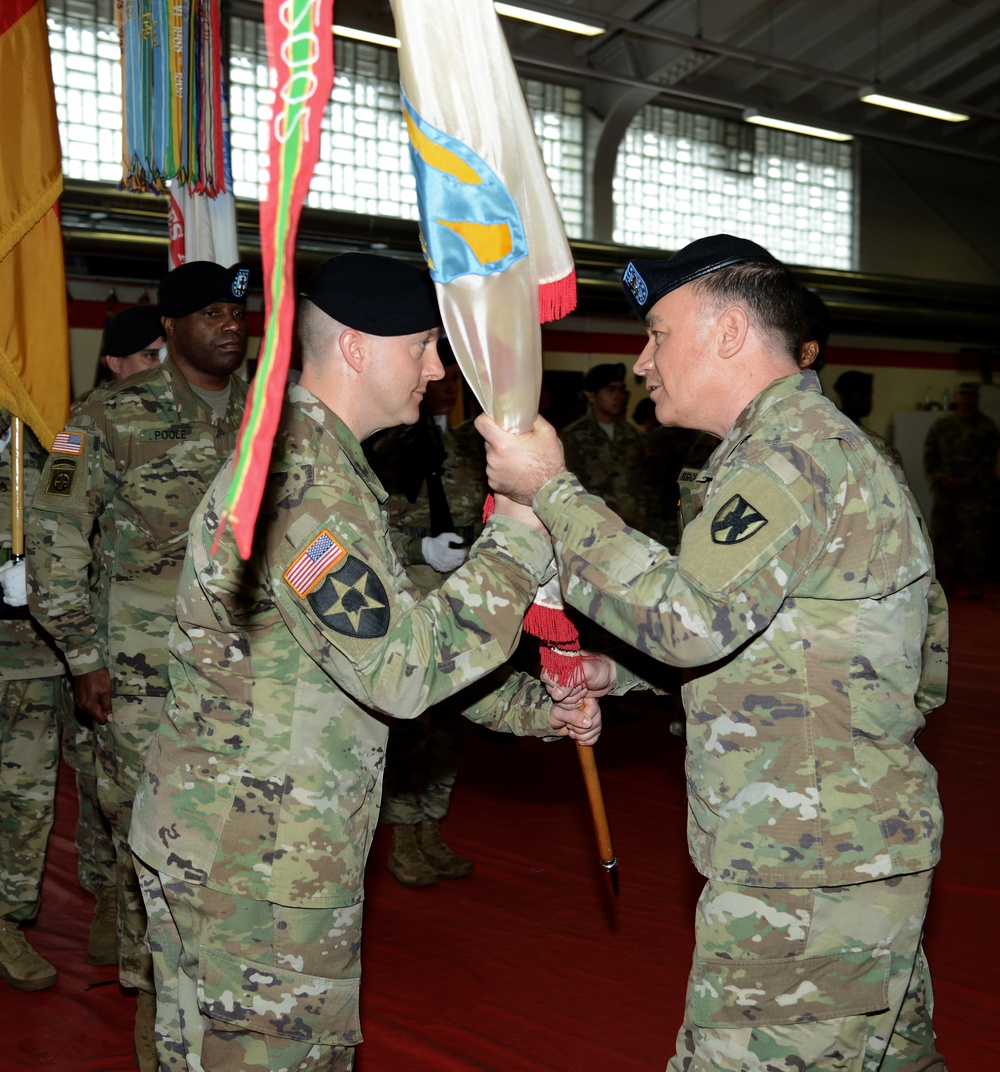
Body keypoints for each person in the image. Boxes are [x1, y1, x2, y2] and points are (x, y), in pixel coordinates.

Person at [476, 234, 946, 1071]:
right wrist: (616, 671)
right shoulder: (813, 448)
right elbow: (872, 652)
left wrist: (550, 493)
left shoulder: (789, 456)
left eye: (658, 332)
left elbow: (694, 621)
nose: (643, 361)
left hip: (806, 872)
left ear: (730, 333)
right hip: (844, 857)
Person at [127, 253, 600, 1072]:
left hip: (240, 843)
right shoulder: (305, 482)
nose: (436, 368)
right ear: (354, 347)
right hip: (258, 863)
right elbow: (400, 672)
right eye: (421, 344)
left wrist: (537, 708)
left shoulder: (318, 463)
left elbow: (379, 640)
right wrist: (520, 538)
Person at [26, 261, 250, 1069]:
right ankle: (156, 1012)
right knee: (145, 842)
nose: (230, 322)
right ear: (170, 327)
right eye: (211, 311)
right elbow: (54, 536)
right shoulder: (107, 418)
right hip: (142, 671)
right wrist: (82, 654)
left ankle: (221, 998)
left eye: (238, 308)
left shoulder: (275, 416)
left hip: (254, 672)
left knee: (238, 840)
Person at [366, 337, 487, 887]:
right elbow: (369, 535)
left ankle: (432, 825)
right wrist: (421, 550)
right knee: (413, 727)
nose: (446, 392)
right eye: (439, 381)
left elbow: (478, 517)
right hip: (411, 601)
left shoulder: (467, 448)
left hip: (456, 601)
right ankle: (403, 837)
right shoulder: (388, 449)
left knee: (451, 728)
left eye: (456, 385)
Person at [0, 412, 71, 991]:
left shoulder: (52, 432)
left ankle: (5, 920)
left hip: (32, 653)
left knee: (26, 800)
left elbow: (76, 518)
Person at [924, 381, 999, 599]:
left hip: (973, 495)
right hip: (945, 493)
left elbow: (988, 462)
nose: (965, 400)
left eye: (970, 396)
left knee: (973, 542)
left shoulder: (987, 426)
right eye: (962, 395)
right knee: (943, 540)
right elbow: (930, 455)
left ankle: (974, 584)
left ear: (977, 399)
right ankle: (945, 585)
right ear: (957, 398)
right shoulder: (942, 424)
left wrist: (966, 481)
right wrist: (940, 478)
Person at [559, 362, 646, 529]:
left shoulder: (632, 435)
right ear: (591, 395)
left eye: (622, 389)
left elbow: (642, 482)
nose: (619, 396)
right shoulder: (572, 436)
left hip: (633, 527)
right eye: (611, 390)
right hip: (592, 528)